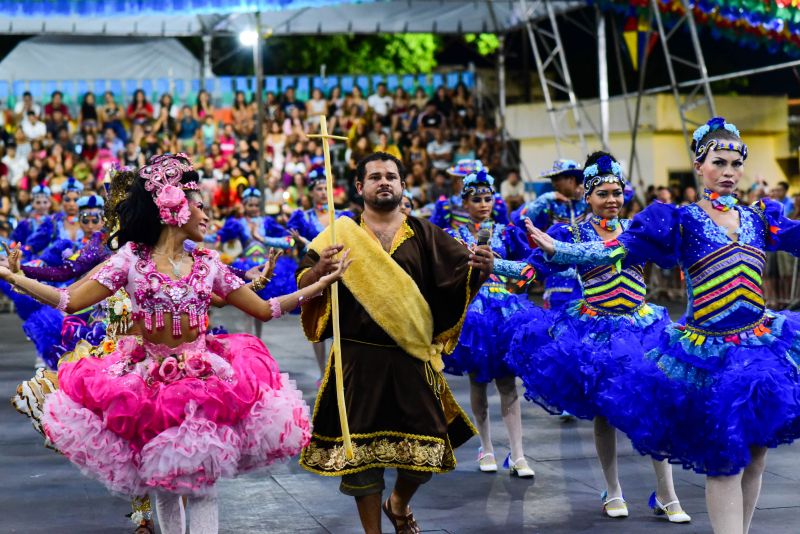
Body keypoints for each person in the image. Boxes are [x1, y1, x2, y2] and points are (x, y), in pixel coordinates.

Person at [0, 153, 349, 533]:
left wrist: (320, 284)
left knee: (204, 488)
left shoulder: (209, 264)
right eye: (200, 207)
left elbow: (265, 309)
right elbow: (69, 300)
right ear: (174, 210)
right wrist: (12, 277)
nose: (208, 217)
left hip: (207, 383)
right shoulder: (130, 260)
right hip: (148, 385)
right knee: (164, 486)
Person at [525, 117, 800, 534]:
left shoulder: (761, 218)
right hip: (709, 354)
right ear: (699, 164)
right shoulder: (681, 220)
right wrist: (561, 248)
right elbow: (616, 250)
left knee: (757, 454)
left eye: (734, 163)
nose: (727, 172)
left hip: (762, 346)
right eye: (718, 162)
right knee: (724, 458)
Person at [296, 152, 494, 534]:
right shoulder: (337, 236)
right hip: (357, 361)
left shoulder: (425, 233)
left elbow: (459, 280)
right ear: (359, 188)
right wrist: (319, 271)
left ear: (403, 186)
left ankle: (399, 502)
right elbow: (304, 285)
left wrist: (479, 271)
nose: (384, 182)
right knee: (362, 462)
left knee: (426, 451)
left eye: (391, 176)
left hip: (411, 358)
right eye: (375, 177)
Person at [509, 152, 690, 522]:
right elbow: (528, 270)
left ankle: (668, 493)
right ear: (587, 196)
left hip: (643, 328)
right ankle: (614, 489)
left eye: (617, 192)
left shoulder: (638, 230)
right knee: (604, 414)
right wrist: (488, 262)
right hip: (597, 331)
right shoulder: (570, 233)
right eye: (603, 193)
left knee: (655, 405)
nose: (611, 199)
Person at [442, 168, 536, 478]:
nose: (484, 204)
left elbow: (527, 266)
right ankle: (487, 447)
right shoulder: (455, 235)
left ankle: (519, 453)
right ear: (465, 203)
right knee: (478, 381)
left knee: (508, 382)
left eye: (487, 198)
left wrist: (514, 284)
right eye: (476, 199)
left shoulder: (508, 232)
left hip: (505, 312)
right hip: (474, 313)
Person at [287, 168, 352, 379]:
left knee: (341, 321)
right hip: (316, 274)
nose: (323, 192)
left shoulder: (342, 216)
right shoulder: (303, 218)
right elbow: (292, 243)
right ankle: (322, 371)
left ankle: (339, 369)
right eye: (319, 189)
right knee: (318, 321)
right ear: (311, 192)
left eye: (326, 188)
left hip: (342, 275)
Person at [511, 159, 588, 311]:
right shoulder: (549, 203)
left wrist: (586, 190)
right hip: (557, 276)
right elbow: (519, 219)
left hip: (585, 276)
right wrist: (545, 198)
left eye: (557, 179)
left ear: (571, 180)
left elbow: (626, 194)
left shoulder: (587, 200)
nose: (554, 183)